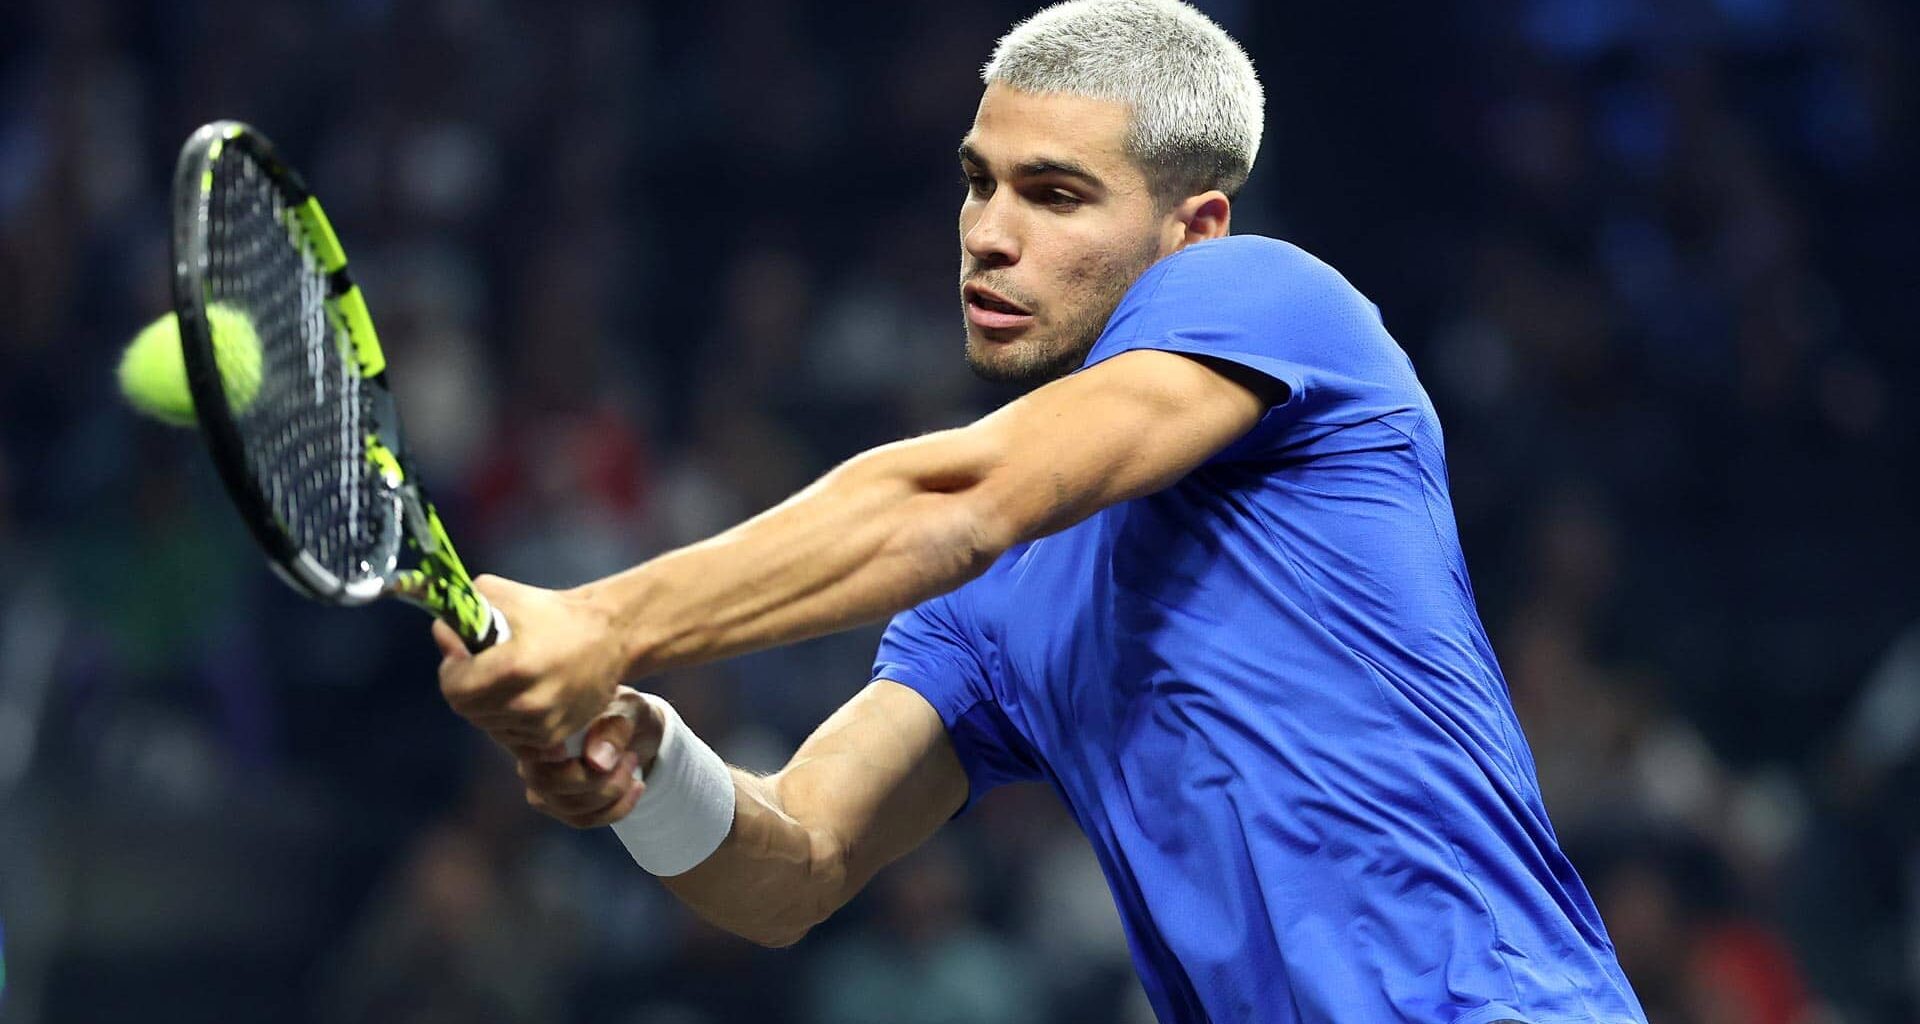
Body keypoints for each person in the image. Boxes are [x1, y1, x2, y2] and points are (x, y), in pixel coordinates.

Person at [434, 1, 1650, 1020]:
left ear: (1195, 227)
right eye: (978, 185)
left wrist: (605, 617)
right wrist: (652, 769)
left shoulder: (1272, 300)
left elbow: (960, 496)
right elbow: (795, 866)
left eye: (1057, 195)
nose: (990, 235)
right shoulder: (990, 608)